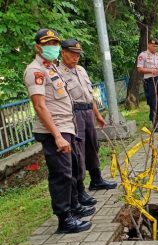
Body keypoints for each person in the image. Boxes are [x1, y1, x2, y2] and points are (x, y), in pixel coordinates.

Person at [24, 29, 93, 233]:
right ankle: (64, 220)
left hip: (66, 127)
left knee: (70, 171)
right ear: (38, 47)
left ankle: (73, 208)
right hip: (55, 130)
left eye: (55, 43)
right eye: (48, 44)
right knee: (61, 175)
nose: (53, 47)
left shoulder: (51, 68)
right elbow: (39, 106)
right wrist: (56, 136)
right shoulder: (35, 71)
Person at [59, 39, 117, 203]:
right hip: (73, 113)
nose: (76, 57)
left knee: (92, 145)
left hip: (87, 111)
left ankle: (96, 179)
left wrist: (97, 115)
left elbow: (89, 96)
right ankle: (80, 189)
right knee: (79, 151)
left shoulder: (81, 70)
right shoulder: (58, 72)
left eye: (78, 54)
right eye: (72, 54)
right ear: (63, 53)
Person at [137, 38, 158, 132]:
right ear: (148, 45)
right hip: (150, 81)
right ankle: (155, 124)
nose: (155, 48)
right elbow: (139, 69)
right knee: (153, 102)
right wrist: (151, 70)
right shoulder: (143, 55)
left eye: (156, 46)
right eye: (153, 46)